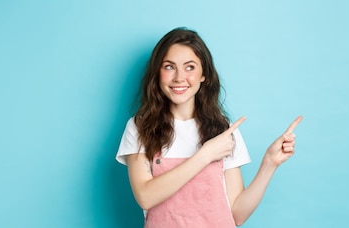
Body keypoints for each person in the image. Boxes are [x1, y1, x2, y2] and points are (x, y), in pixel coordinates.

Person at [116, 27, 302, 227]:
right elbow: (146, 196)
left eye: (190, 67)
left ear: (203, 74)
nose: (179, 77)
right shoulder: (140, 127)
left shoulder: (224, 130)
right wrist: (205, 155)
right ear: (157, 73)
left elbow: (237, 214)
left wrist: (269, 163)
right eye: (169, 66)